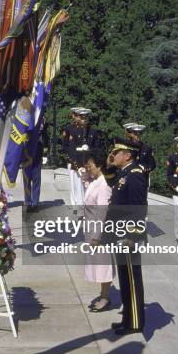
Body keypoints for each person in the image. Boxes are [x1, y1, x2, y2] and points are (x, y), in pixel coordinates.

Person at [105, 138, 148, 335]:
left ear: (128, 155)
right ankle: (127, 319)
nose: (114, 155)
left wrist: (132, 236)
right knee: (124, 279)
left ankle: (135, 323)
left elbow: (138, 208)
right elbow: (111, 182)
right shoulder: (125, 172)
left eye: (118, 152)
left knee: (131, 279)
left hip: (128, 237)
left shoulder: (136, 174)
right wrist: (109, 164)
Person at [83, 150, 114, 312]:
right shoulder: (96, 181)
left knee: (103, 265)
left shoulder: (103, 186)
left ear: (100, 166)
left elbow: (103, 212)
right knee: (98, 265)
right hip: (92, 229)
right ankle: (103, 294)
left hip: (100, 232)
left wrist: (96, 236)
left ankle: (105, 297)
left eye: (91, 164)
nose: (88, 167)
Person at [62, 107, 101, 207]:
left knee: (88, 187)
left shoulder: (93, 131)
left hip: (89, 164)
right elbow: (68, 147)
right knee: (77, 187)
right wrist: (76, 164)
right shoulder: (71, 130)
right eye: (81, 117)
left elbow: (97, 148)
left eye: (85, 118)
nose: (83, 120)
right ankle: (78, 207)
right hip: (76, 163)